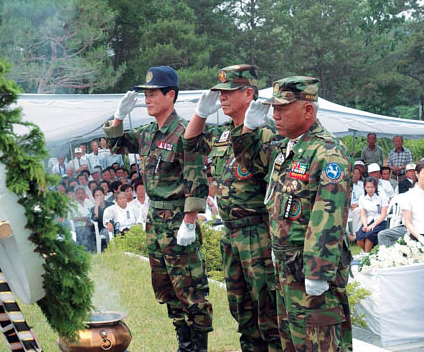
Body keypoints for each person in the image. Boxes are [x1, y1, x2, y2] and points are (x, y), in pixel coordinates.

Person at [231, 76, 353, 351]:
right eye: (274, 109)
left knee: (319, 343)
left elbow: (328, 218)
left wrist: (318, 272)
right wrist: (248, 127)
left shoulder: (327, 153)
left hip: (309, 271)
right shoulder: (287, 149)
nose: (275, 116)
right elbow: (248, 160)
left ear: (308, 110)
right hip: (286, 269)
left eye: (283, 109)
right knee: (291, 343)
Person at [103, 66, 212, 351]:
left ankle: (199, 346)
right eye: (146, 94)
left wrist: (189, 221)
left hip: (177, 218)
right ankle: (184, 342)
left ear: (171, 95)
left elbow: (195, 178)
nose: (147, 99)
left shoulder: (184, 131)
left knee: (190, 287)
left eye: (153, 93)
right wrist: (118, 116)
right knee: (166, 286)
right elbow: (116, 145)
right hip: (155, 219)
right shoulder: (149, 132)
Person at [183, 64, 281, 351]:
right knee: (242, 311)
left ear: (249, 93)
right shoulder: (224, 134)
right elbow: (189, 145)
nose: (222, 98)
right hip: (232, 235)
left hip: (258, 235)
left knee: (269, 313)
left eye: (229, 92)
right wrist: (200, 114)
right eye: (219, 93)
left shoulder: (265, 133)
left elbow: (276, 187)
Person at [355, 177, 389, 253]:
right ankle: (368, 254)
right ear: (364, 187)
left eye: (372, 187)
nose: (370, 189)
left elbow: (383, 215)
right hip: (368, 220)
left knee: (369, 236)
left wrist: (373, 225)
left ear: (375, 187)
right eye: (368, 187)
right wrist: (365, 225)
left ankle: (366, 255)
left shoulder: (382, 196)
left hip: (380, 221)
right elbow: (363, 215)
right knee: (359, 238)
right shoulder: (362, 198)